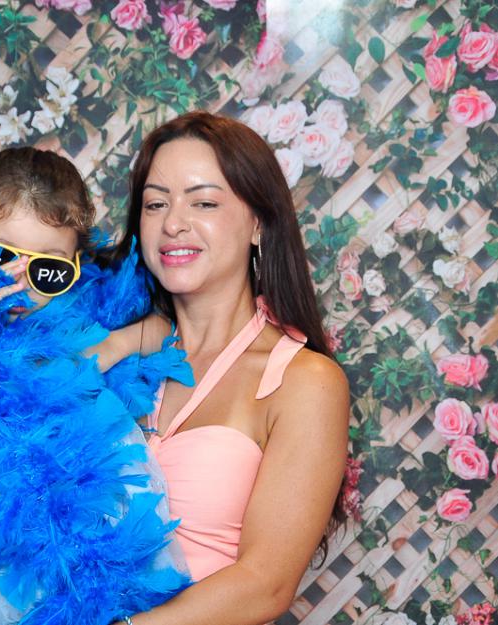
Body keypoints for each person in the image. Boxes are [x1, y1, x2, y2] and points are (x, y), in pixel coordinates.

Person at [0, 147, 191, 625]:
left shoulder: (80, 326)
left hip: (67, 545)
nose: (20, 282)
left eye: (47, 270)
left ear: (75, 269)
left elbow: (166, 327)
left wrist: (115, 345)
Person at [112, 111, 350, 625]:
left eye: (204, 202)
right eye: (155, 203)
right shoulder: (118, 354)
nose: (173, 223)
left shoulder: (304, 382)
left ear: (258, 223)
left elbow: (266, 584)